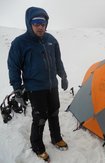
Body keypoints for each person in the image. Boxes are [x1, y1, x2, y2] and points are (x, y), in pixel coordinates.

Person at [7, 7, 68, 162]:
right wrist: (17, 89)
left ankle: (56, 138)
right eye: (36, 23)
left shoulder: (51, 40)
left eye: (43, 22)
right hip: (35, 88)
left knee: (54, 112)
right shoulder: (20, 43)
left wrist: (63, 76)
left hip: (52, 85)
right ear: (30, 23)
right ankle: (37, 146)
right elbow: (13, 66)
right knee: (40, 118)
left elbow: (57, 60)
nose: (40, 26)